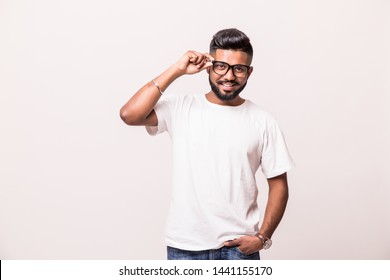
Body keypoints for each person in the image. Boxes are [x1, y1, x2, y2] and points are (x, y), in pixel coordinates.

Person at [120, 28, 294, 260]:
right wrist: (177, 70)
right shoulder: (181, 107)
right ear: (209, 66)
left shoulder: (263, 120)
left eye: (239, 69)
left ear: (249, 72)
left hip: (239, 250)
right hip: (185, 247)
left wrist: (263, 237)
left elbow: (279, 184)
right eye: (221, 66)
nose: (229, 76)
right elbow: (130, 114)